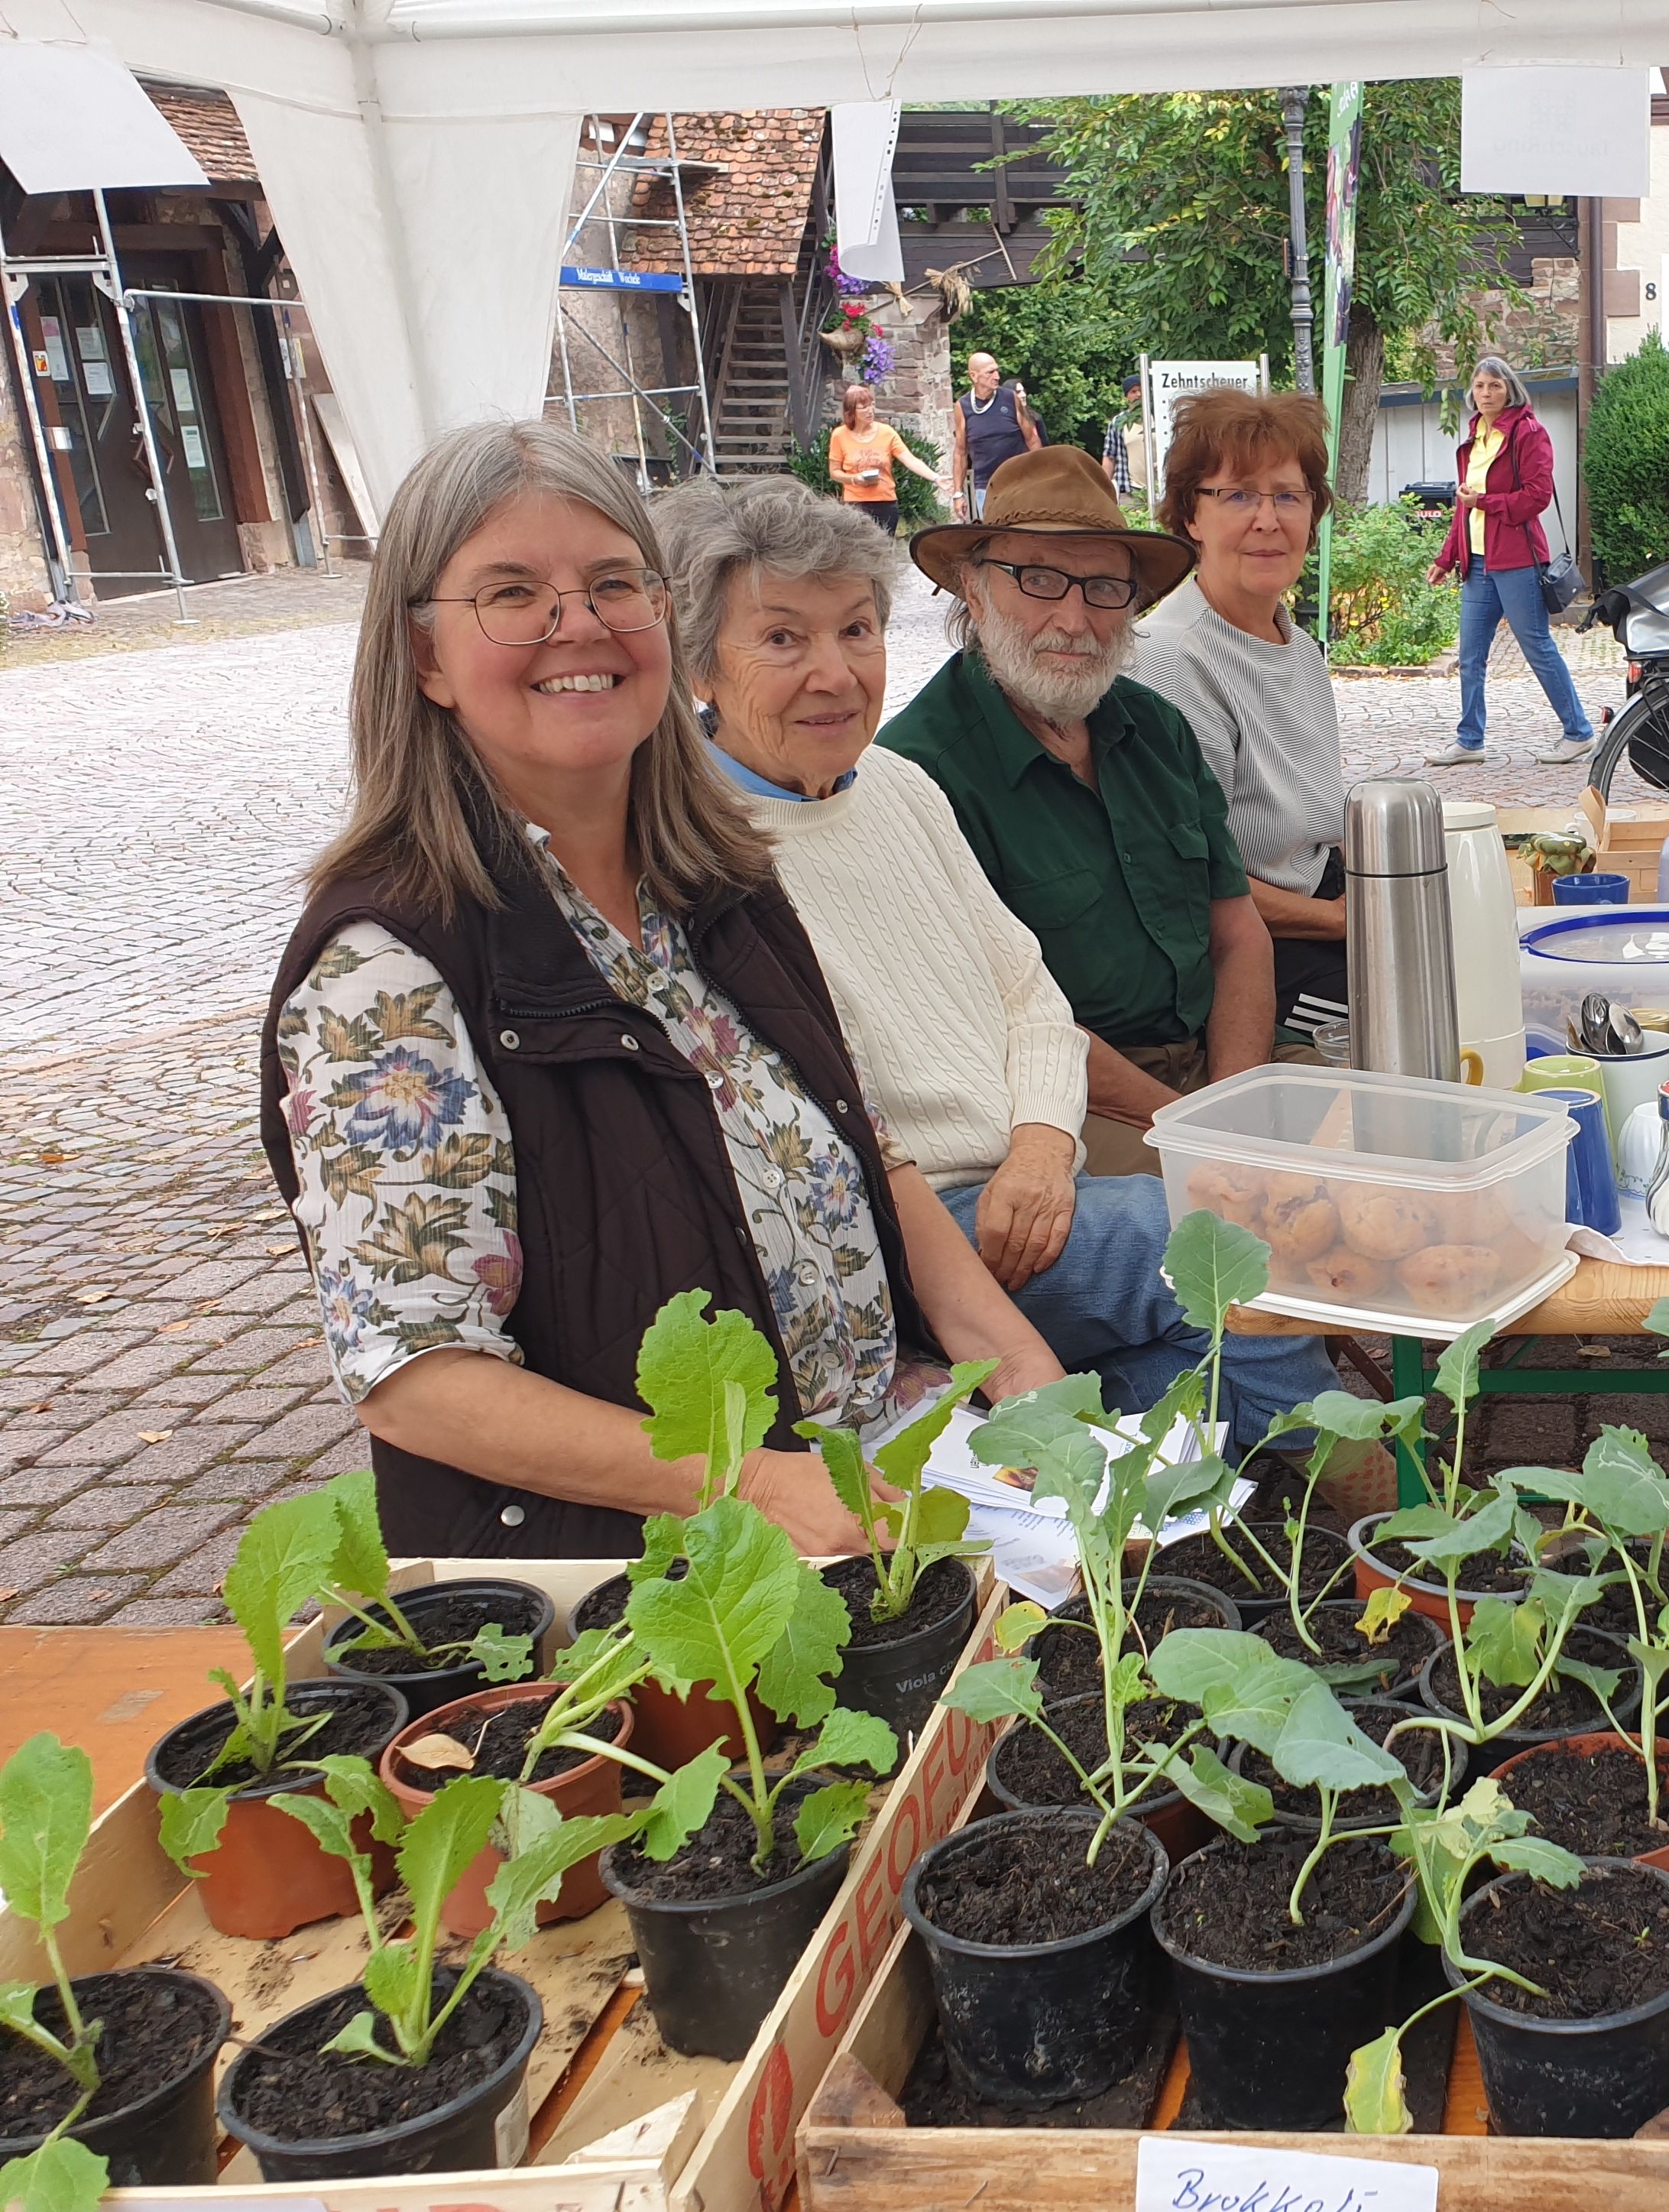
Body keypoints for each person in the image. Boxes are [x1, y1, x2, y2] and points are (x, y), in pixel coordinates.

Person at [260, 420, 1067, 1558]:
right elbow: (415, 1377)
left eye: (611, 584)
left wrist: (1024, 1371)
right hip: (652, 1575)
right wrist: (753, 1485)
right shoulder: (389, 966)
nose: (577, 625)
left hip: (884, 1471)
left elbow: (867, 1150)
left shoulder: (720, 883)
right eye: (510, 593)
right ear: (426, 657)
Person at [653, 475, 1337, 1445]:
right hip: (917, 1224)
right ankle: (1321, 1498)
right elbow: (820, 1110)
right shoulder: (699, 845)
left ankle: (1108, 1482)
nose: (836, 674)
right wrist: (1058, 1153)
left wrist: (1042, 1148)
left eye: (856, 631)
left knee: (1208, 1338)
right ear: (699, 667)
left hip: (1031, 1173)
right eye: (781, 639)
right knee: (1237, 1245)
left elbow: (1028, 993)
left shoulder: (892, 785)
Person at [878, 445, 1304, 1179]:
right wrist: (1207, 1139)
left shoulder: (1154, 727)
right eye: (1039, 580)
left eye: (1106, 587)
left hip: (1214, 1068)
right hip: (1062, 1108)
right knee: (1240, 1218)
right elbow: (1013, 1027)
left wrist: (1232, 1106)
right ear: (972, 592)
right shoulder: (921, 772)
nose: (1074, 619)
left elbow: (1238, 934)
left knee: (1396, 1135)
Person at [1132, 388, 1352, 1048]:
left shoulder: (1298, 646)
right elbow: (1191, 882)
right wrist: (1347, 921)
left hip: (1316, 901)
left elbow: (1314, 823)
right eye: (1237, 495)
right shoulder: (1171, 659)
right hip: (1247, 949)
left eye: (1289, 495)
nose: (1268, 520)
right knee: (1401, 1032)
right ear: (1189, 516)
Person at [1425, 355, 1595, 769]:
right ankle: (1469, 741)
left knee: (1536, 647)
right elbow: (1463, 510)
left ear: (1510, 389)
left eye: (1495, 386)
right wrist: (1446, 559)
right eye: (1480, 386)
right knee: (1470, 655)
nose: (1486, 393)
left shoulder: (1528, 433)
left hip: (1518, 560)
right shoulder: (1474, 438)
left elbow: (1536, 497)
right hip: (1479, 563)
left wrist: (1483, 500)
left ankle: (1578, 733)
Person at [825, 382, 940, 535]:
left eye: (871, 405)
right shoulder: (839, 435)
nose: (870, 411)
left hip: (885, 503)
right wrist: (854, 479)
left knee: (884, 551)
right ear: (851, 412)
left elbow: (911, 460)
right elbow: (834, 472)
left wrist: (936, 478)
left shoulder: (887, 432)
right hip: (854, 505)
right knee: (858, 551)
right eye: (864, 407)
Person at [950, 352, 1042, 520]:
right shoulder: (962, 406)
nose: (997, 376)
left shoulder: (1009, 398)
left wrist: (1040, 477)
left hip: (1018, 482)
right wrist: (958, 494)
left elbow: (1032, 440)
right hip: (985, 487)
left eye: (997, 371)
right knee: (994, 537)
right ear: (974, 376)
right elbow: (960, 452)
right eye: (990, 372)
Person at [1101, 375, 1146, 502]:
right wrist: (1104, 488)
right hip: (1128, 490)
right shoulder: (1118, 422)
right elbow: (1109, 457)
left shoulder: (1161, 419)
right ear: (1126, 397)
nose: (1139, 395)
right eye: (1133, 391)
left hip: (1160, 489)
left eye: (1141, 390)